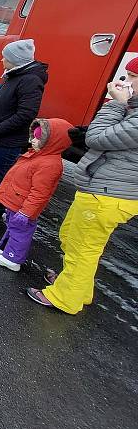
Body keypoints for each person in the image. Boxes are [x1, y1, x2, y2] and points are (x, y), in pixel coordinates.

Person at [28, 60, 138, 313]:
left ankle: (65, 298)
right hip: (104, 189)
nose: (125, 82)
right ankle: (76, 286)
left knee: (83, 247)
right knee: (71, 237)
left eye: (132, 76)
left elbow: (98, 138)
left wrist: (116, 105)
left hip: (110, 194)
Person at [0, 39, 48, 229]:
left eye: (5, 57)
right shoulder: (12, 76)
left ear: (16, 59)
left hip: (5, 141)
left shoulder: (30, 80)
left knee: (0, 179)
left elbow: (26, 114)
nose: (2, 60)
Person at [0, 118, 74, 272]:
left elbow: (40, 193)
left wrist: (26, 212)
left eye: (39, 138)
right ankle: (5, 249)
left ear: (53, 142)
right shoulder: (37, 155)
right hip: (17, 203)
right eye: (34, 136)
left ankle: (12, 258)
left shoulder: (50, 164)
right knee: (13, 227)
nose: (33, 140)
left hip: (23, 207)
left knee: (20, 232)